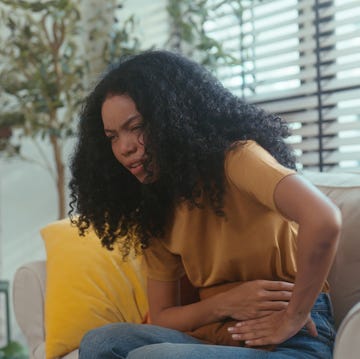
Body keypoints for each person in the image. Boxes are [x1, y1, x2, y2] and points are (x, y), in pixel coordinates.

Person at [69, 50, 341, 359]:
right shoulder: (156, 207)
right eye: (112, 137)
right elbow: (163, 315)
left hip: (289, 340)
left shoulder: (238, 159)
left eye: (137, 127)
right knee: (99, 343)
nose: (125, 147)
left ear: (172, 117)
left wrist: (293, 315)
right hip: (215, 338)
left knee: (154, 357)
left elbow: (324, 219)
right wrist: (225, 303)